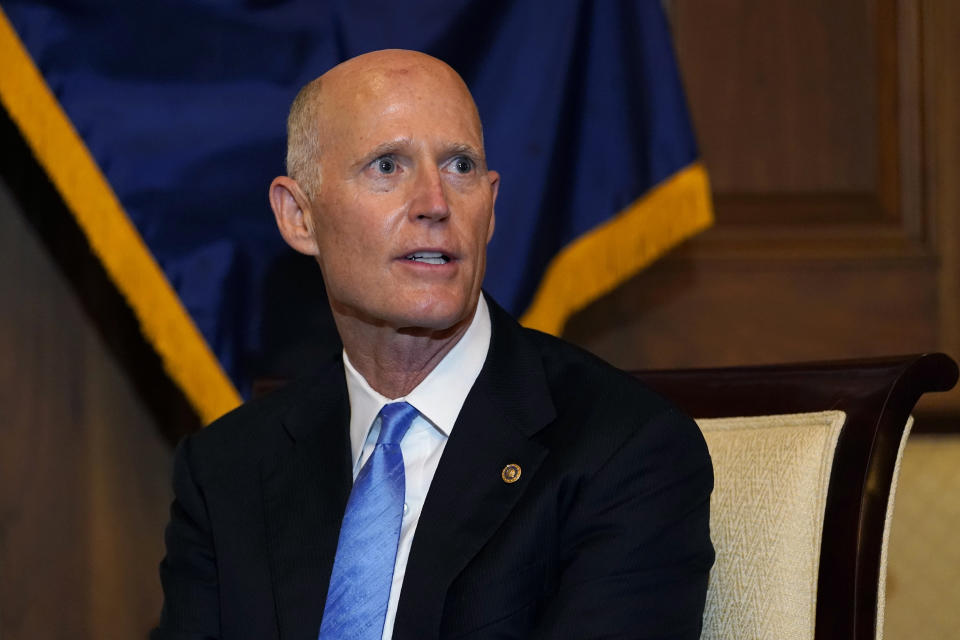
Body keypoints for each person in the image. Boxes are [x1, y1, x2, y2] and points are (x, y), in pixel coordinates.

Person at [152, 49, 714, 640]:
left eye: (460, 166)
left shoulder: (625, 452)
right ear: (299, 217)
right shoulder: (226, 471)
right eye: (387, 166)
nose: (435, 203)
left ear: (491, 208)